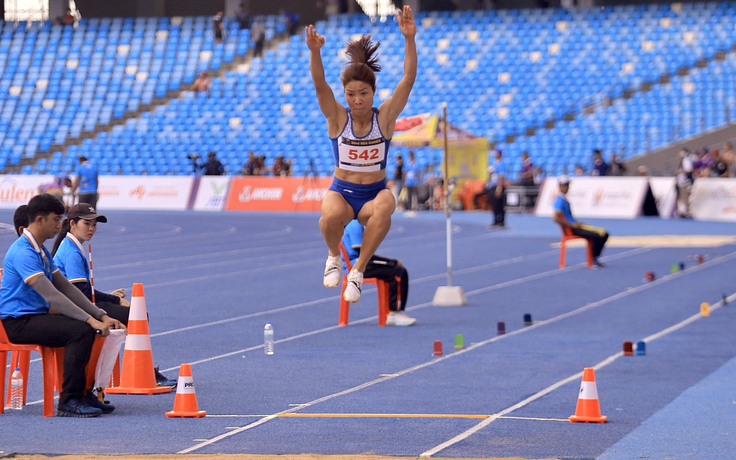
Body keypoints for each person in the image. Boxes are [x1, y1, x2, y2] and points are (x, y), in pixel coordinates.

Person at [305, 5, 417, 304]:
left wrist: (409, 39)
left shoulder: (386, 119)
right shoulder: (338, 119)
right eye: (351, 95)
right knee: (327, 218)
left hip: (373, 193)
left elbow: (407, 80)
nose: (357, 101)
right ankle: (333, 257)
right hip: (342, 192)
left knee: (387, 205)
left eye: (363, 94)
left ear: (373, 91)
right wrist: (315, 52)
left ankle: (357, 271)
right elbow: (319, 85)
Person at [0, 194, 125, 417]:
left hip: (34, 317)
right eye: (56, 219)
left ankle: (83, 393)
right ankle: (69, 400)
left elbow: (67, 288)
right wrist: (90, 319)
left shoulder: (42, 250)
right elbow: (53, 296)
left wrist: (101, 314)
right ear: (40, 220)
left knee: (86, 328)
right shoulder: (23, 252)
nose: (60, 225)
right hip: (16, 323)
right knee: (80, 330)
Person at [49, 203, 176, 388]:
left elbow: (83, 291)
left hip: (77, 305)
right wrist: (114, 299)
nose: (92, 228)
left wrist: (110, 297)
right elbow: (82, 292)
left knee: (135, 315)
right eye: (87, 223)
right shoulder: (71, 252)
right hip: (73, 310)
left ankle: (143, 370)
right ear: (72, 224)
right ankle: (144, 372)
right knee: (137, 316)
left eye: (94, 224)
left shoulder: (72, 246)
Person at [342, 220, 416, 326]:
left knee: (401, 271)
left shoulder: (357, 225)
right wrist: (392, 262)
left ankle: (399, 311)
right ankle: (393, 313)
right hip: (359, 268)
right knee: (396, 272)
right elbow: (365, 256)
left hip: (361, 265)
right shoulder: (355, 226)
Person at [553, 175, 609, 268]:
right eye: (565, 185)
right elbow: (556, 218)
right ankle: (593, 258)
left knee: (604, 233)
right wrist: (572, 225)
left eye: (568, 185)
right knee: (599, 235)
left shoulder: (563, 199)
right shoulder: (559, 201)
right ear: (560, 186)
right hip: (572, 229)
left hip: (575, 226)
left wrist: (578, 223)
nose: (567, 187)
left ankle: (594, 257)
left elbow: (568, 217)